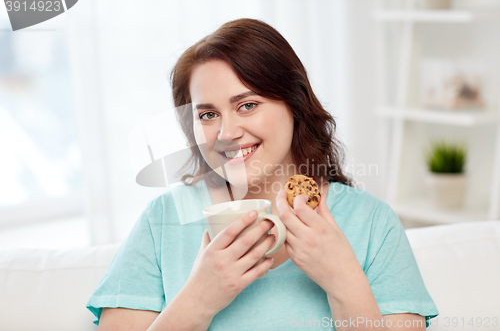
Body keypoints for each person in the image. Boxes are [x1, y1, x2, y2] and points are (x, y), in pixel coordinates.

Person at [87, 18, 439, 330]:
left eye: (248, 105)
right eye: (207, 115)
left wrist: (343, 280)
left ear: (295, 104)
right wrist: (198, 299)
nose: (226, 133)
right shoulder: (161, 221)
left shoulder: (372, 223)